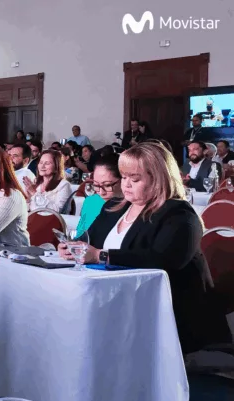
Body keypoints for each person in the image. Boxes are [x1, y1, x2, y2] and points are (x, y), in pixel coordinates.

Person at [58, 142, 231, 355]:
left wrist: (100, 256)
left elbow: (164, 260)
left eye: (135, 179)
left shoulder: (179, 214)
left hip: (169, 317)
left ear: (158, 179)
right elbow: (88, 240)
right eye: (124, 177)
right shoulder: (113, 207)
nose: (126, 185)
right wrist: (72, 247)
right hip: (120, 304)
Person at [75, 154, 121, 236]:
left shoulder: (131, 209)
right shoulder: (90, 201)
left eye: (107, 185)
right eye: (96, 185)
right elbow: (80, 233)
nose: (101, 192)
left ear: (123, 179)